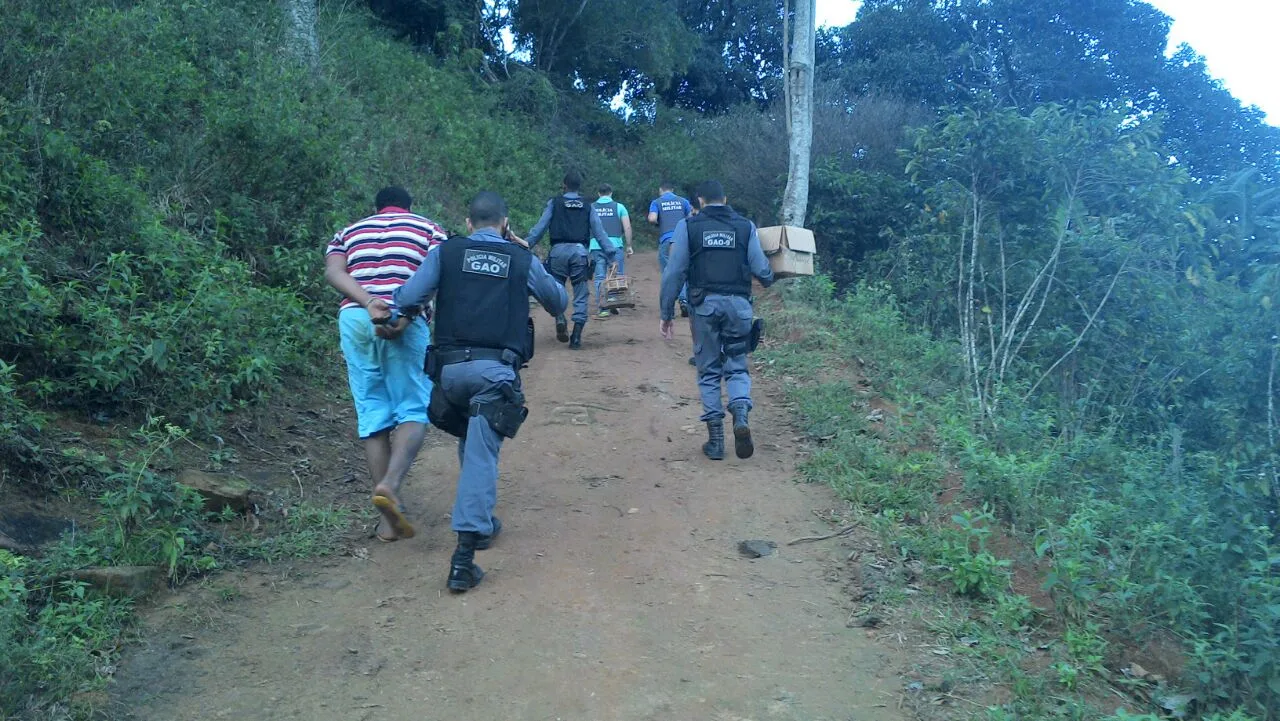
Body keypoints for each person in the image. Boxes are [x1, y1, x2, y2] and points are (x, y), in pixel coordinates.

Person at [395, 191, 567, 592]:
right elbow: (558, 302)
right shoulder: (520, 259)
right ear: (506, 225)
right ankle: (464, 558)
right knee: (482, 451)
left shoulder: (446, 253)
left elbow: (406, 297)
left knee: (474, 439)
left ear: (469, 223)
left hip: (450, 374)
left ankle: (484, 520)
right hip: (496, 373)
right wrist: (527, 253)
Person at [324, 186, 447, 543]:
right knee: (413, 407)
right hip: (404, 315)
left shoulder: (348, 231)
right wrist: (405, 316)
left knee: (372, 410)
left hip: (356, 318)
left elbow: (334, 272)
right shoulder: (428, 229)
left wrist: (367, 302)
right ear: (410, 206)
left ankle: (386, 522)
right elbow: (435, 277)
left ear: (375, 209)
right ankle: (390, 484)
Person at [660, 181, 774, 461]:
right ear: (726, 198)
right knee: (736, 366)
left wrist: (666, 313)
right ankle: (741, 411)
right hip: (739, 307)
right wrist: (771, 276)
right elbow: (762, 270)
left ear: (699, 200)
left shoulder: (688, 227)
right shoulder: (745, 226)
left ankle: (716, 442)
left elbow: (675, 271)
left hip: (704, 308)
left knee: (709, 370)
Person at [525, 170, 616, 349]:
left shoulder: (555, 203)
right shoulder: (588, 205)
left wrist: (525, 244)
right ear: (579, 187)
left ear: (564, 185)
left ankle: (560, 317)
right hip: (579, 253)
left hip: (557, 253)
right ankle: (576, 336)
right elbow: (599, 232)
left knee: (555, 289)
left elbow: (540, 227)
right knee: (581, 293)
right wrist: (611, 253)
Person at [648, 181, 693, 316]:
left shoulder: (657, 202)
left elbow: (652, 218)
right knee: (683, 271)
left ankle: (669, 308)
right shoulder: (683, 201)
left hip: (666, 240)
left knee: (668, 273)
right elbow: (690, 220)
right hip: (683, 240)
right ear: (673, 190)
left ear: (661, 190)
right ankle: (684, 301)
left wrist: (658, 222)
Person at [589, 183, 633, 318]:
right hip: (615, 245)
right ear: (611, 193)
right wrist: (629, 245)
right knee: (616, 274)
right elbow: (627, 227)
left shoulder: (591, 208)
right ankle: (614, 301)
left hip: (596, 245)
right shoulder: (619, 207)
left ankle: (602, 308)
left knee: (599, 277)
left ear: (598, 193)